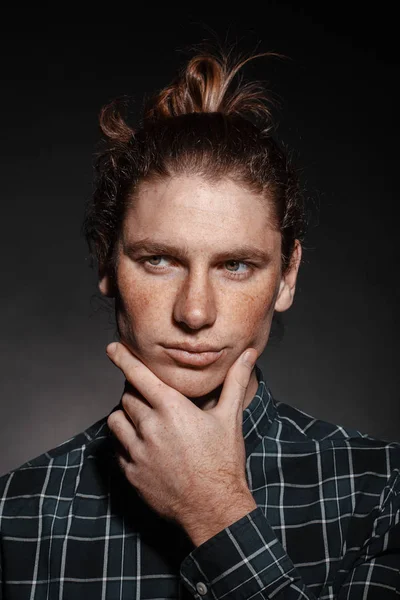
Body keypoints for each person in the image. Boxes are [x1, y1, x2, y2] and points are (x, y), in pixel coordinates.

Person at [0, 48, 399, 600]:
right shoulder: (13, 517)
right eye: (158, 260)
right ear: (105, 264)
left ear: (286, 277)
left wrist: (215, 511)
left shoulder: (383, 494)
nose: (194, 312)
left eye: (236, 266)